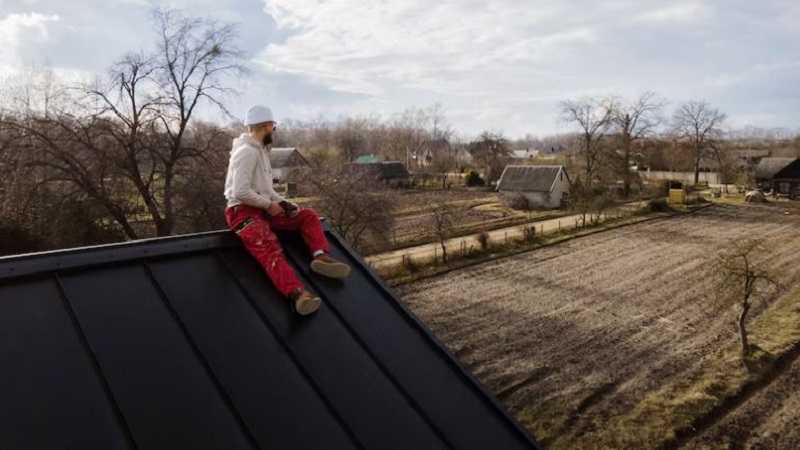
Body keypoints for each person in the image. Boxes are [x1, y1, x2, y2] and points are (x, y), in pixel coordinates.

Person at [224, 105, 350, 316]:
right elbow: (240, 191)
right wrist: (268, 205)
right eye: (273, 127)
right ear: (266, 126)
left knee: (307, 215)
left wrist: (284, 203)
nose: (273, 131)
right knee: (270, 248)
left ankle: (320, 256)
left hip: (261, 209)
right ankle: (298, 294)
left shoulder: (260, 152)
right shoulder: (246, 153)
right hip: (243, 214)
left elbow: (265, 190)